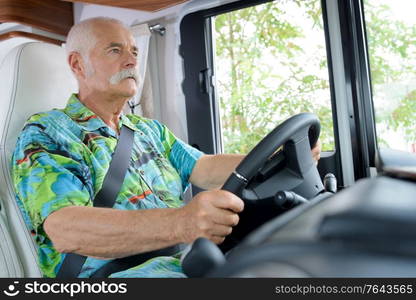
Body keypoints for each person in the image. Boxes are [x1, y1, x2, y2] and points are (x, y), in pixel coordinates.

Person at [11, 17, 321, 278]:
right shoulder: (47, 132)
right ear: (78, 64)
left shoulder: (148, 129)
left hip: (189, 258)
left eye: (133, 50)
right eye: (114, 50)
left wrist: (283, 157)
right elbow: (66, 229)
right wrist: (182, 223)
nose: (132, 59)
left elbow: (205, 167)